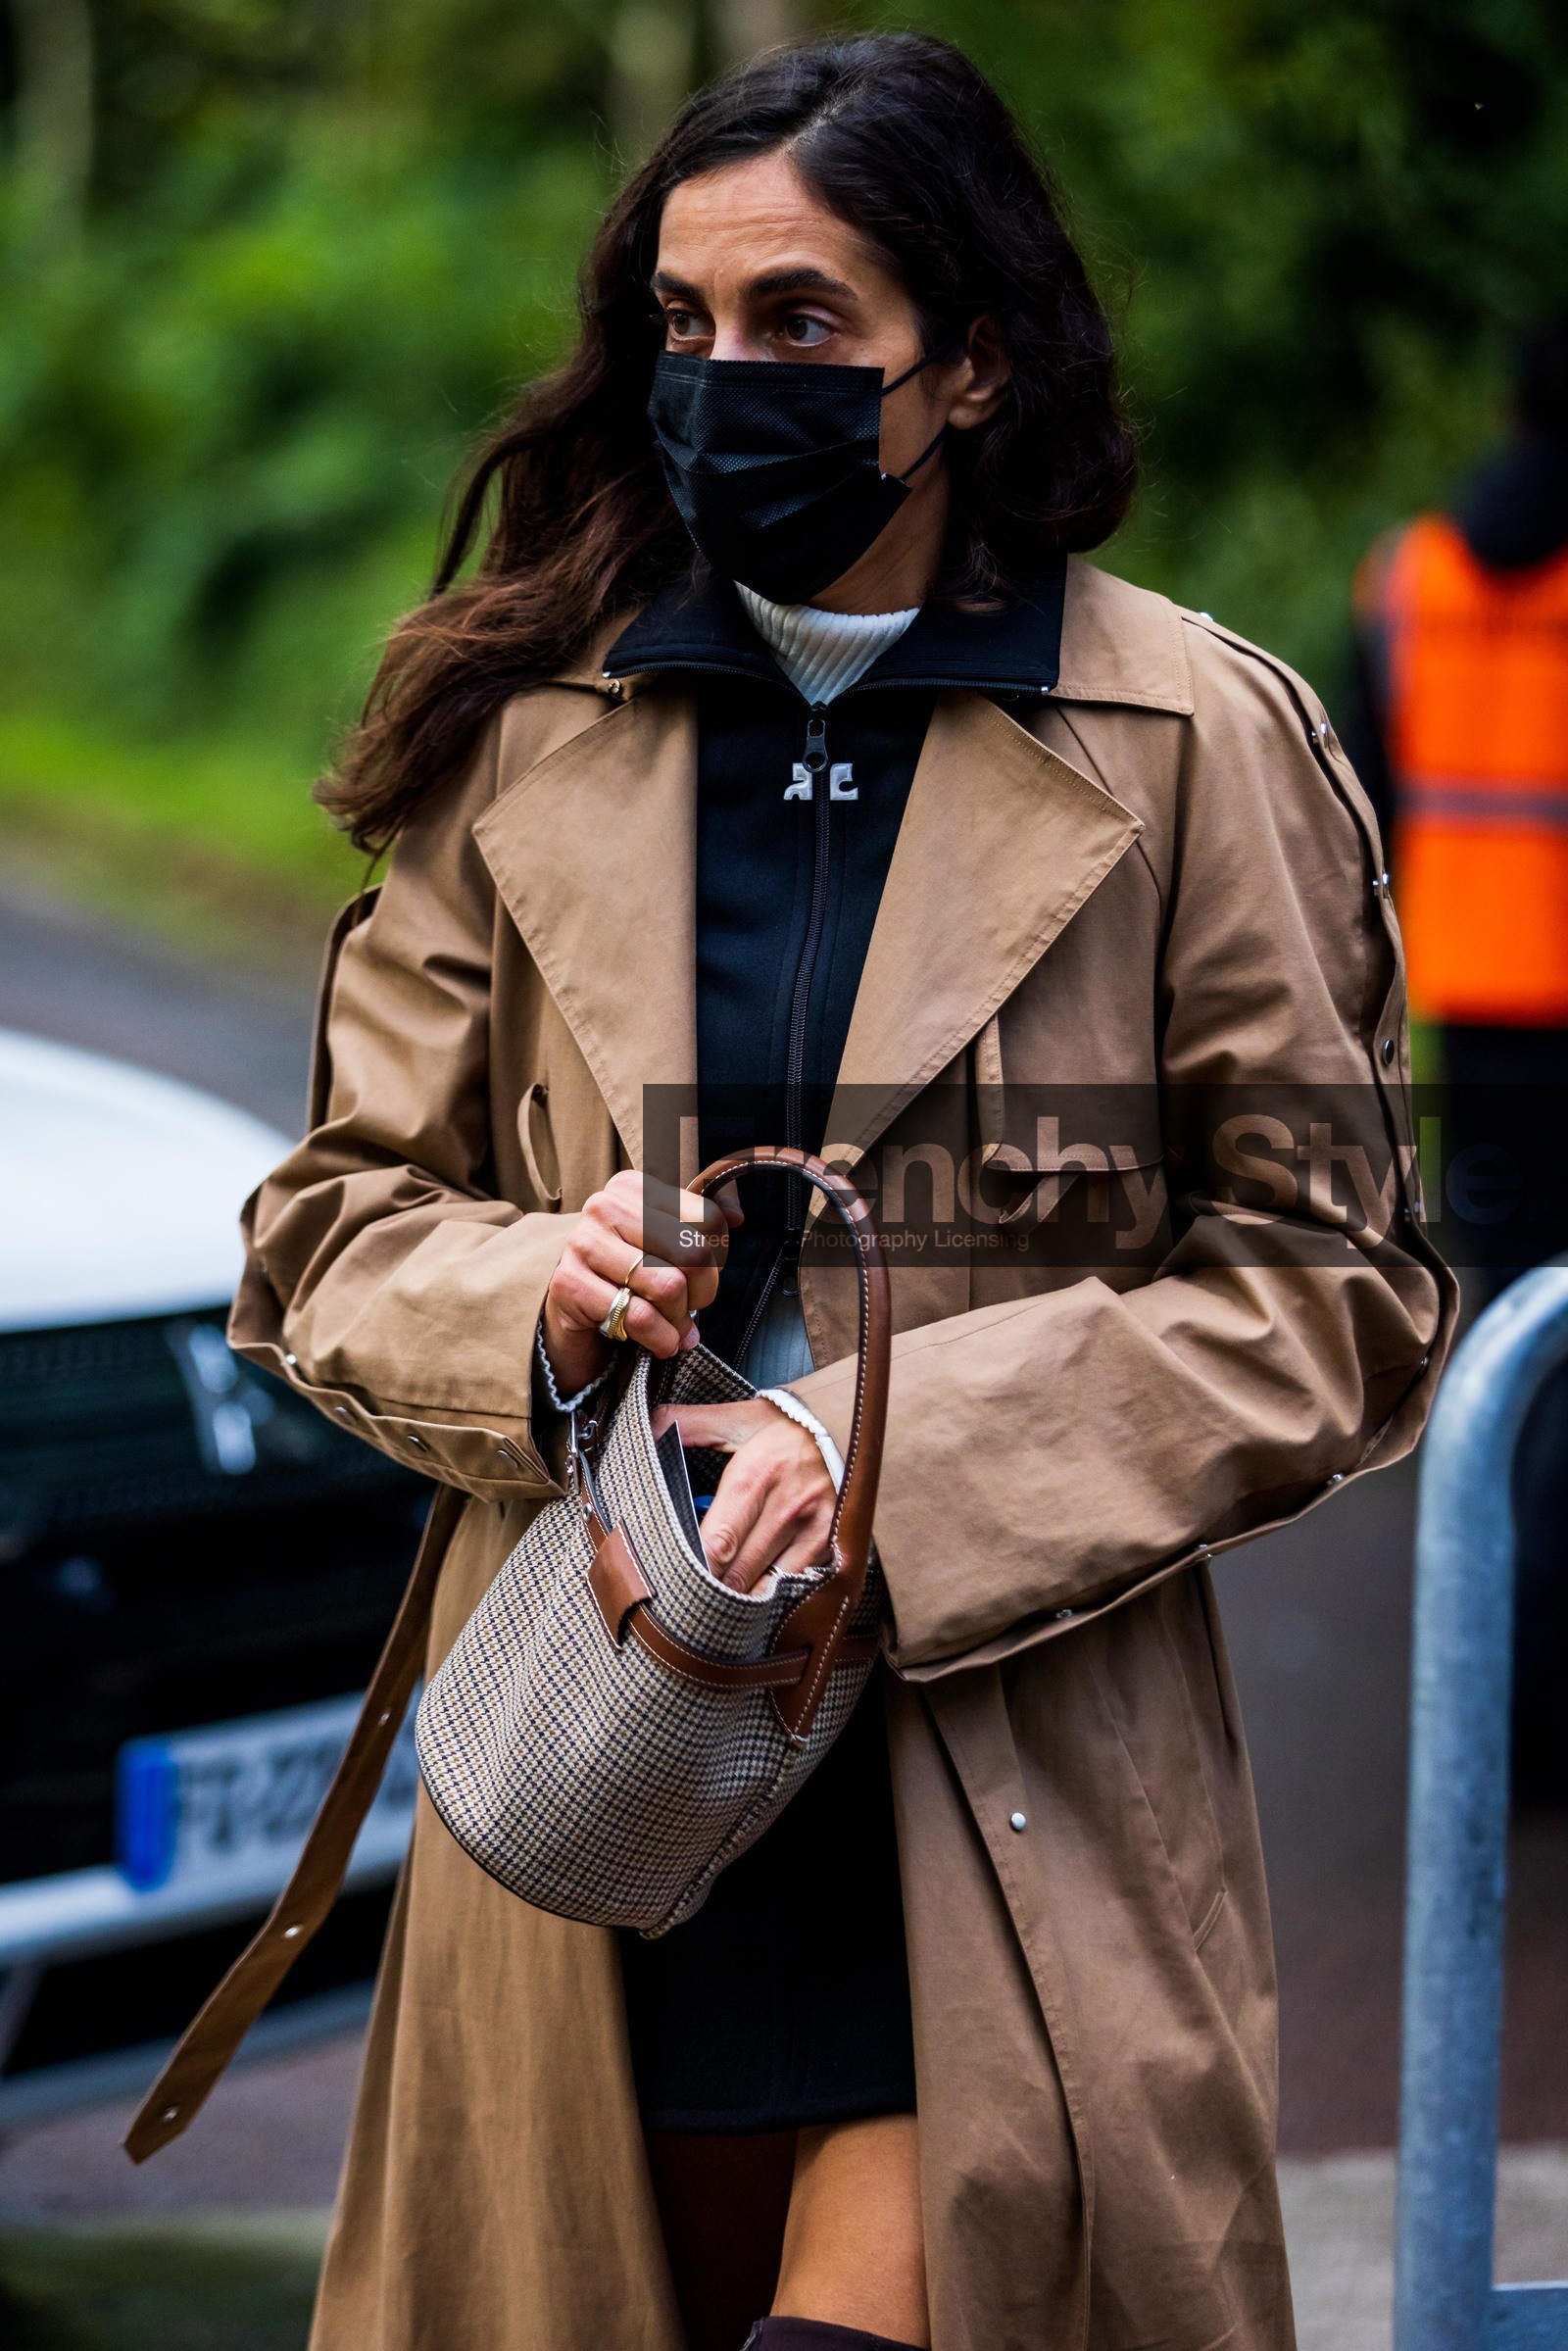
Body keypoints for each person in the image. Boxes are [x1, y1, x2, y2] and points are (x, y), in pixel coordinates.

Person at [230, 34, 1450, 2351]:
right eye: (683, 330)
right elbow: (328, 1230)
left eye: (799, 325)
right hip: (591, 1767)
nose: (724, 382)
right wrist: (532, 1285)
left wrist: (886, 1446)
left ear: (966, 358)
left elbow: (1325, 1293)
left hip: (994, 1807)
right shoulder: (514, 728)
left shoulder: (1197, 739)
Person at [1348, 319, 1568, 1805]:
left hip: (1471, 1012)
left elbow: (1352, 813)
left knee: (1514, 1341)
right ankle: (1537, 1688)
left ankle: (1507, 1680)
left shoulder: (1407, 577)